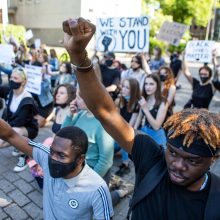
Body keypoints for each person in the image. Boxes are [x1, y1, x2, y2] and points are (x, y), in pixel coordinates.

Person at [62, 18, 220, 219]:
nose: (178, 165)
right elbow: (106, 113)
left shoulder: (216, 201)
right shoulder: (153, 159)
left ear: (213, 159)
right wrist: (79, 57)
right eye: (172, 152)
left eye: (193, 160)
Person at [0, 123, 113, 220]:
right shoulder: (45, 156)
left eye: (61, 155)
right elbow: (11, 135)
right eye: (52, 151)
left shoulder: (97, 189)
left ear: (80, 159)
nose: (53, 159)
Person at [62, 89, 114, 183]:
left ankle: (120, 192)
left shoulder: (102, 125)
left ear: (89, 100)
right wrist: (70, 114)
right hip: (77, 166)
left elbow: (106, 161)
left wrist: (89, 181)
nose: (74, 101)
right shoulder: (81, 114)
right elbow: (62, 135)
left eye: (78, 98)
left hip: (92, 172)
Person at [0, 67, 38, 172]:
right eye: (11, 77)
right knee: (10, 133)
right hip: (15, 125)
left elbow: (20, 122)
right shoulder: (10, 91)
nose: (12, 80)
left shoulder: (27, 99)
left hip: (28, 128)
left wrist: (4, 130)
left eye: (15, 78)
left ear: (23, 81)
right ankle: (17, 145)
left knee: (8, 137)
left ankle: (24, 156)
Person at [114, 78, 140, 176]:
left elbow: (130, 126)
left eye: (127, 88)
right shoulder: (120, 100)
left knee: (125, 140)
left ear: (133, 90)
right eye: (123, 86)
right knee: (111, 146)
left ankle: (125, 164)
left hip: (131, 132)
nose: (123, 89)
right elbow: (117, 119)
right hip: (121, 130)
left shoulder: (137, 104)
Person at [134, 74, 168, 148]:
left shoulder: (163, 101)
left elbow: (156, 126)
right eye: (146, 84)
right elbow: (139, 117)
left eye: (151, 84)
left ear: (157, 85)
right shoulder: (145, 98)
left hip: (157, 137)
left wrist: (145, 109)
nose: (147, 87)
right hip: (145, 132)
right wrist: (134, 131)